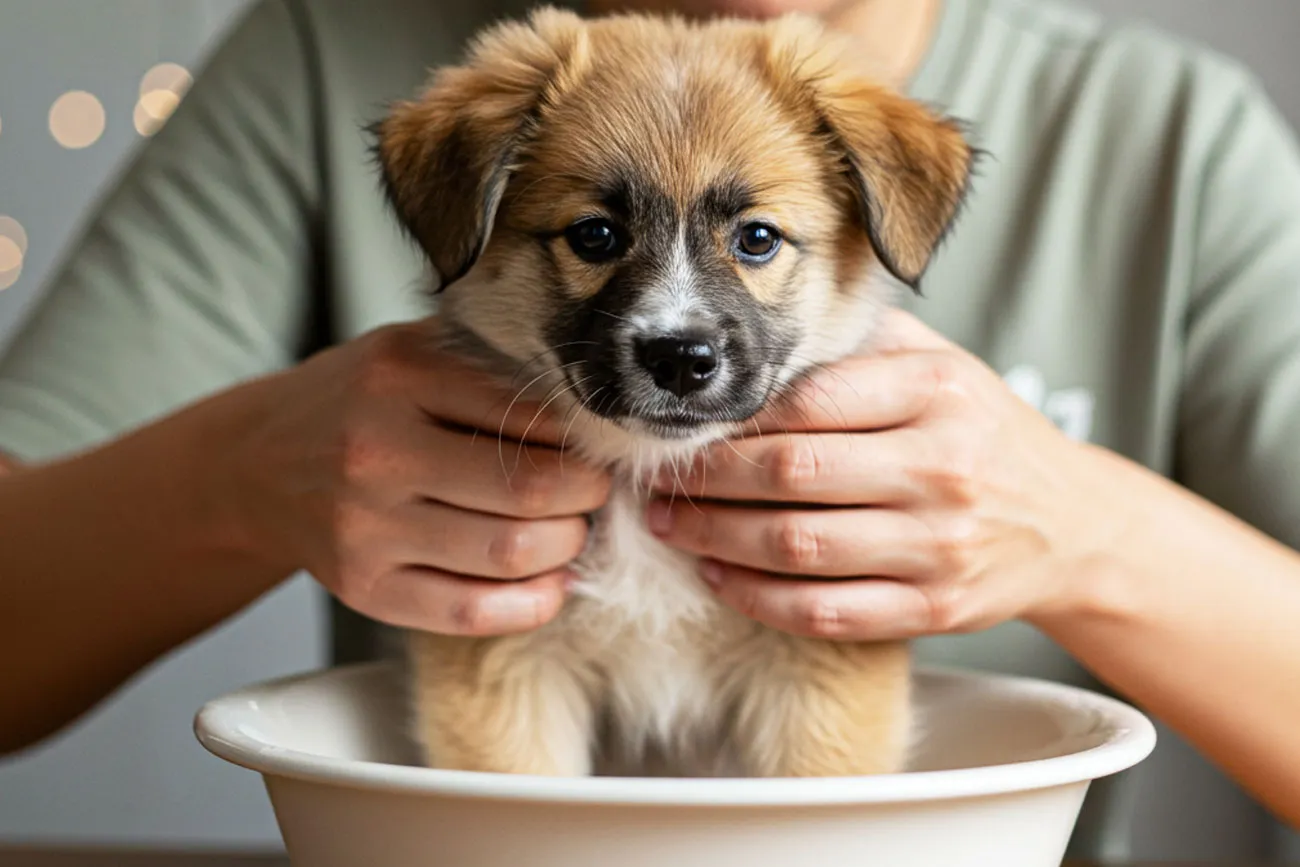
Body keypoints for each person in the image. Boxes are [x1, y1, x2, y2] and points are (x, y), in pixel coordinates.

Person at [1, 0, 1298, 854]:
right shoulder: (337, 50)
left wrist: (1097, 532)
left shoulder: (1174, 136)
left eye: (756, 240)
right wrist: (233, 471)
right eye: (597, 238)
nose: (677, 317)